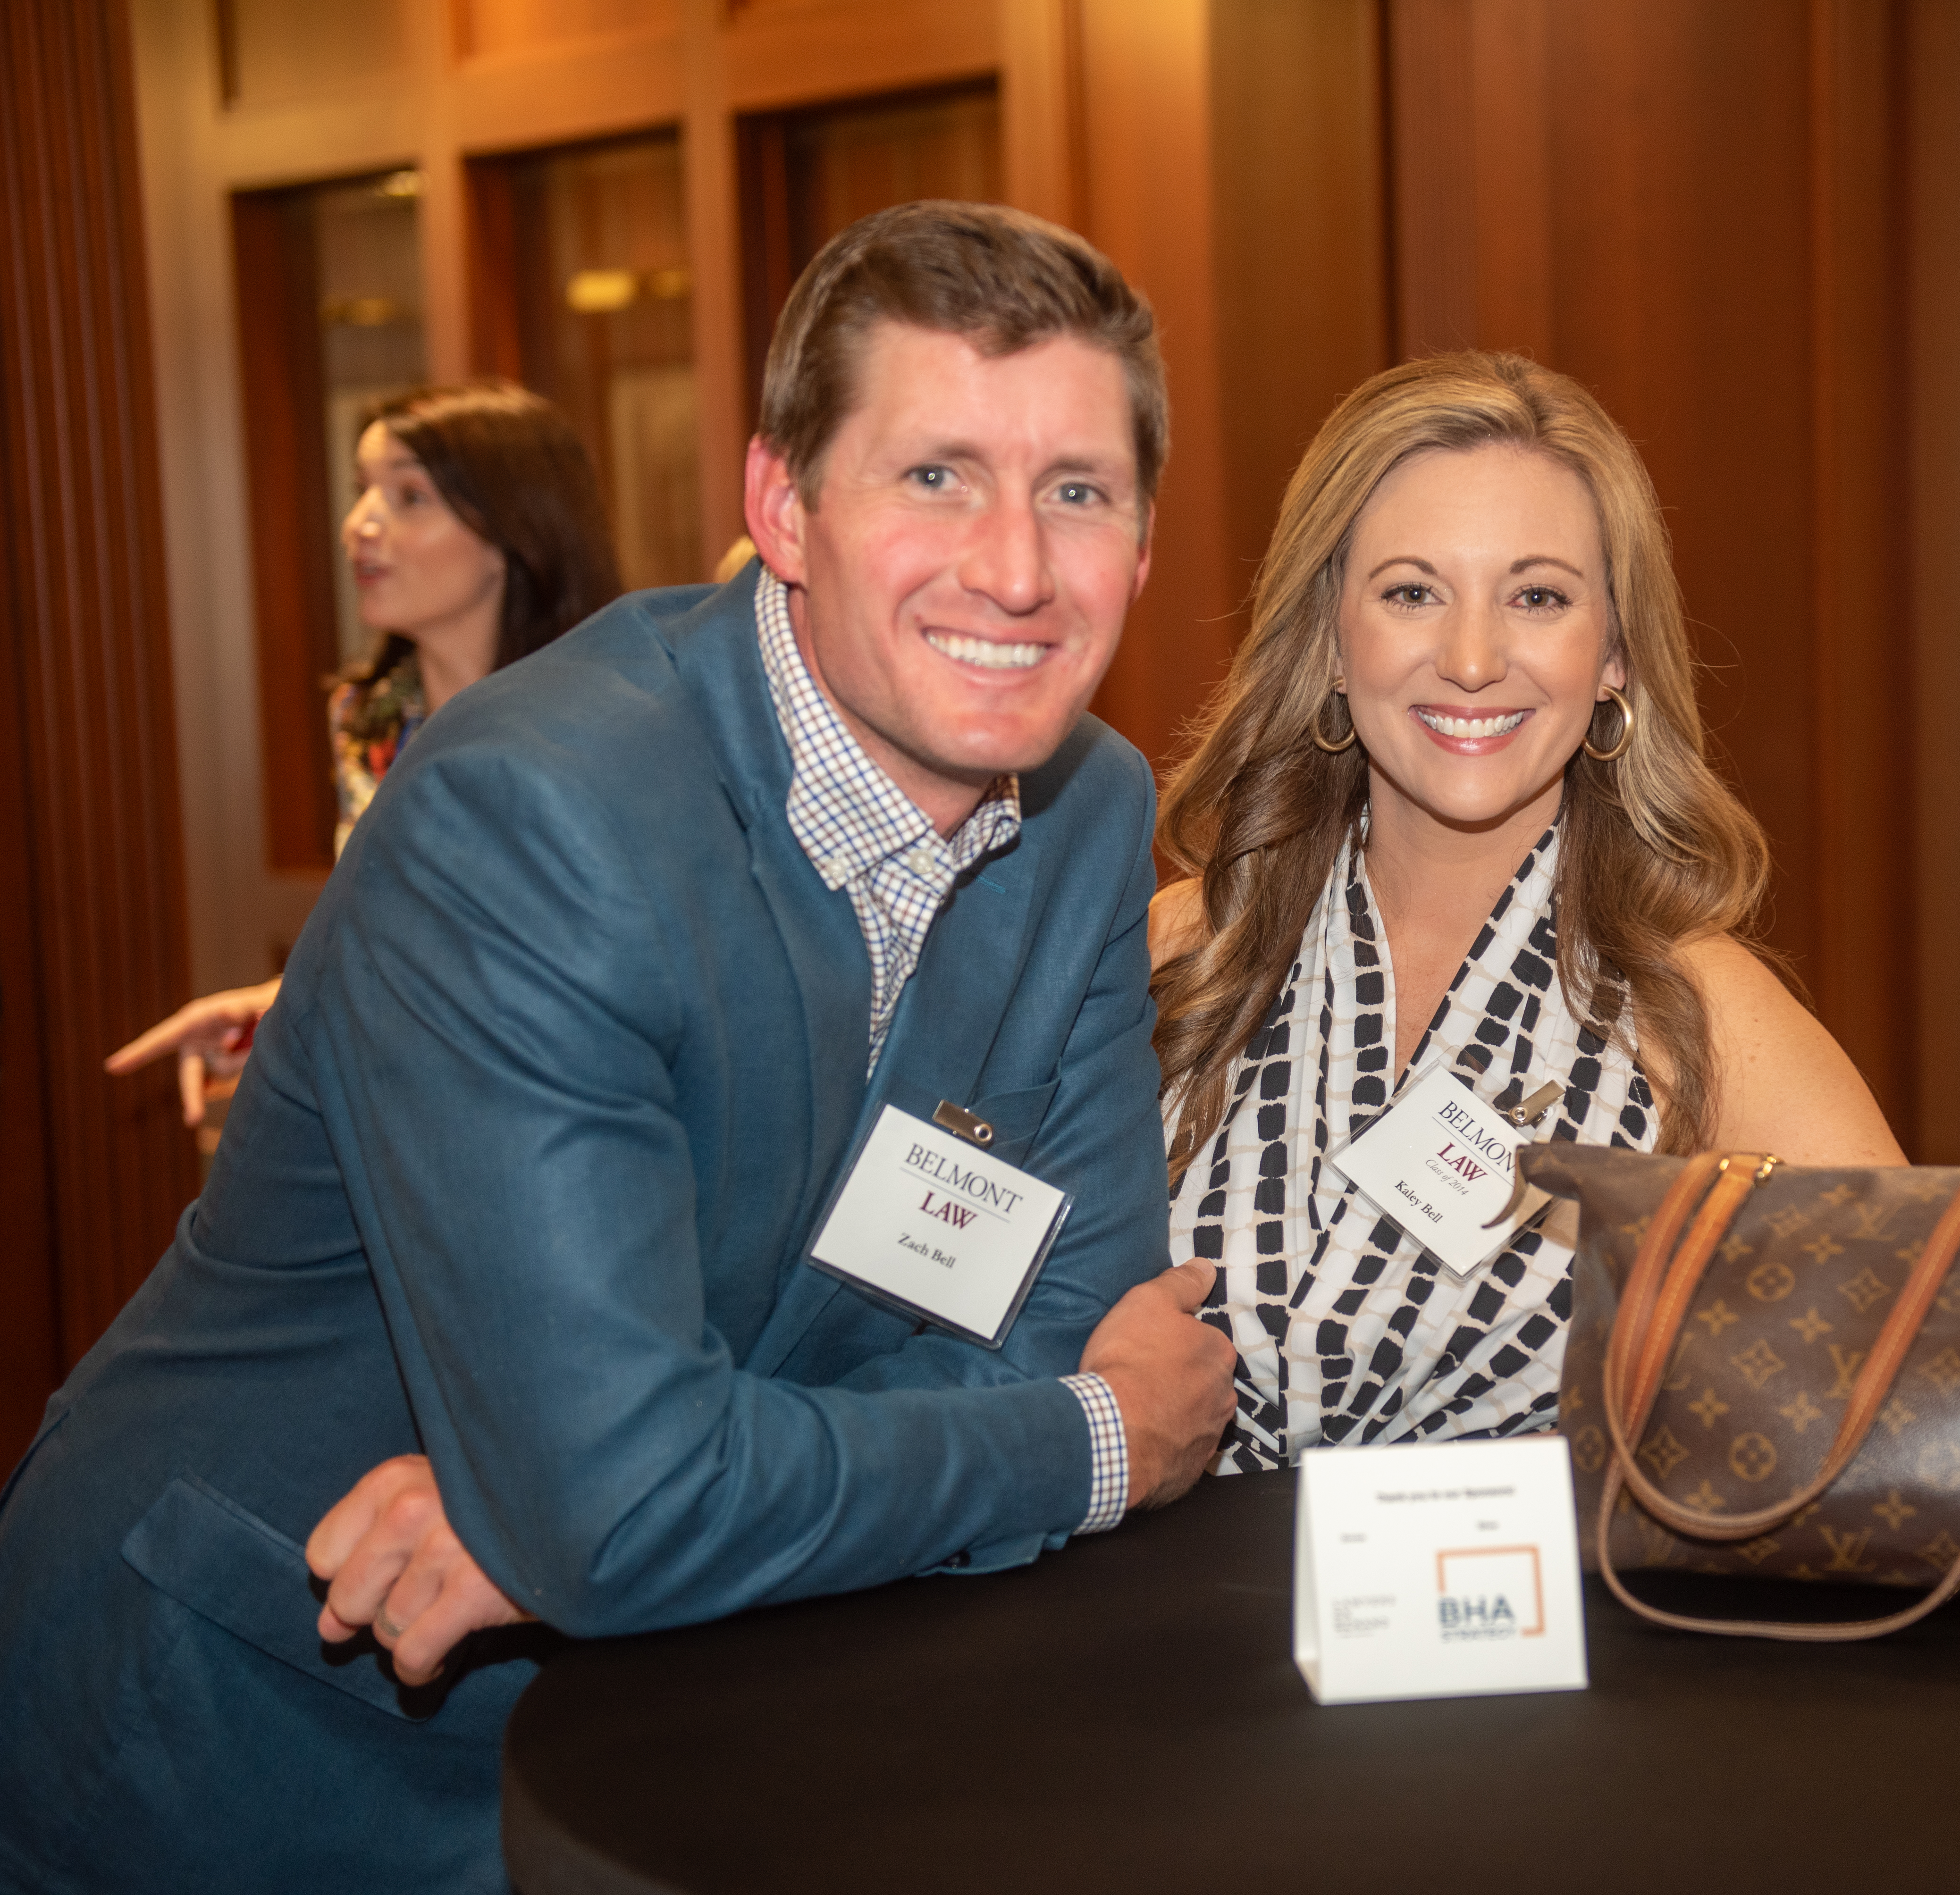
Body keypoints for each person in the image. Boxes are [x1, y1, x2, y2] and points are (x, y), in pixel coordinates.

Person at [0, 201, 1229, 1893]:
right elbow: (665, 1493)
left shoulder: (1089, 808)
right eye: (934, 474)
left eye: (1075, 491)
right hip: (252, 1737)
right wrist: (1091, 1439)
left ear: (1146, 541)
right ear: (780, 507)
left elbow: (1054, 1310)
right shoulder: (541, 811)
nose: (1015, 567)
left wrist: (594, 1494)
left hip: (684, 1721)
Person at [1151, 352, 1906, 1470]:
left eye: (1537, 597)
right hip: (1177, 1631)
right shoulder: (1182, 954)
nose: (1469, 659)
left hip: (1536, 1635)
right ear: (1329, 636)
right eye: (1412, 592)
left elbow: (1918, 1366)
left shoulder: (1696, 1016)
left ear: (1611, 655)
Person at [104, 381, 621, 1128]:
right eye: (362, 492)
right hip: (404, 1120)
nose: (359, 526)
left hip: (563, 1121)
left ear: (518, 532)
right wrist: (273, 1017)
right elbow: (400, 944)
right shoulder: (370, 722)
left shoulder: (609, 722)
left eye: (409, 497)